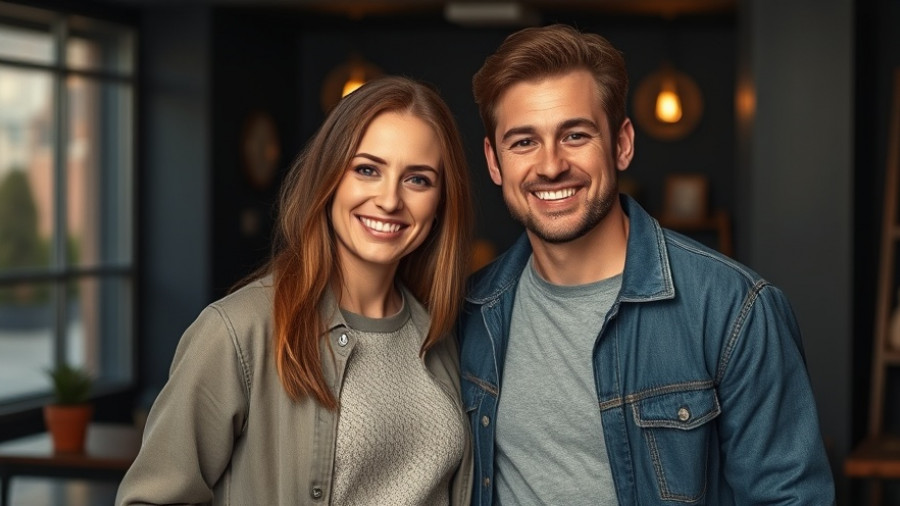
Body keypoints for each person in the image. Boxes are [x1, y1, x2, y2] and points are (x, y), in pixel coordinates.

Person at [458, 24, 835, 505]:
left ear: (621, 144)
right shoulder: (469, 312)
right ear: (494, 162)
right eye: (523, 142)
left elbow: (790, 498)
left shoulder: (734, 309)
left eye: (575, 135)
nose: (550, 165)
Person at [117, 76, 473, 505]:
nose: (389, 200)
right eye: (366, 169)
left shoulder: (439, 336)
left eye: (417, 179)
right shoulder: (238, 332)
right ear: (330, 178)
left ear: (439, 205)